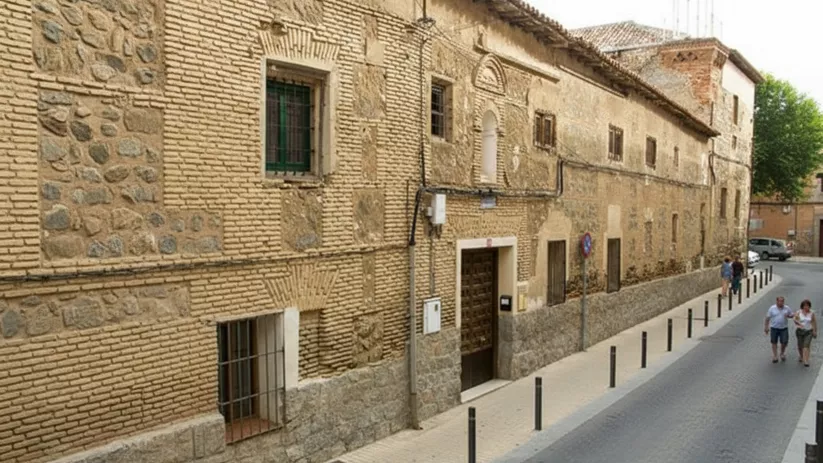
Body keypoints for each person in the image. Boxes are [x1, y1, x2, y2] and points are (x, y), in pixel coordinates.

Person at [765, 297, 794, 363]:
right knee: (774, 342)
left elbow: (792, 315)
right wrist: (766, 327)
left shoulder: (787, 308)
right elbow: (767, 318)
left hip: (783, 328)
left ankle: (782, 353)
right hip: (774, 328)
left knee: (784, 342)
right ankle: (775, 356)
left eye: (782, 301)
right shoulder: (772, 308)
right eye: (779, 301)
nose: (781, 303)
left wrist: (789, 316)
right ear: (777, 301)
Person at [793, 299, 817, 367]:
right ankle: (801, 356)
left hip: (809, 331)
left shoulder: (812, 313)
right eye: (805, 306)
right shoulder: (798, 312)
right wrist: (798, 323)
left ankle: (806, 360)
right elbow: (794, 319)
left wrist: (815, 331)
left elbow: (814, 322)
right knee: (800, 346)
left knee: (806, 346)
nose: (806, 307)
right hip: (800, 331)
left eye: (808, 306)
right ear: (802, 306)